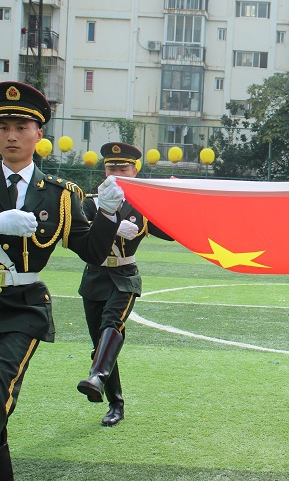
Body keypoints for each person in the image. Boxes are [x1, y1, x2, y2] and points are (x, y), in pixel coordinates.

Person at [0, 81, 123, 480]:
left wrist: (109, 215)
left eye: (21, 127)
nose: (11, 135)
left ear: (38, 134)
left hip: (24, 306)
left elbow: (92, 251)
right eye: (3, 127)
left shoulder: (61, 195)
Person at [76, 142, 173, 426]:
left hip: (124, 276)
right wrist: (111, 225)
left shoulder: (143, 206)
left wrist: (178, 206)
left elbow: (171, 231)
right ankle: (115, 402)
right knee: (101, 345)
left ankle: (97, 377)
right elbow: (80, 233)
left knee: (111, 325)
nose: (116, 173)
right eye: (111, 168)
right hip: (95, 276)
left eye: (123, 168)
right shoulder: (91, 202)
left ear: (134, 170)